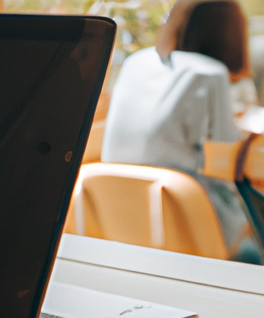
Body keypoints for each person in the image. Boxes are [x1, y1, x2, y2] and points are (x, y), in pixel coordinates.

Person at [101, 0, 262, 263]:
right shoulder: (210, 73)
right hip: (188, 218)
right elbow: (226, 156)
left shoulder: (136, 62)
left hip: (116, 214)